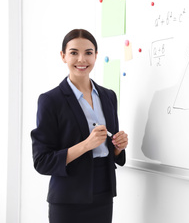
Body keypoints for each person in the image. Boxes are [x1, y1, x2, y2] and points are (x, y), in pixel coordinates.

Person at [31, 29, 128, 223]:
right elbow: (42, 161)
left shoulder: (108, 96)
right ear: (63, 56)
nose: (82, 59)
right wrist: (86, 145)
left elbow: (109, 149)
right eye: (74, 52)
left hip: (103, 193)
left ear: (96, 56)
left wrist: (118, 147)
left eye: (88, 53)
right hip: (68, 198)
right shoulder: (51, 100)